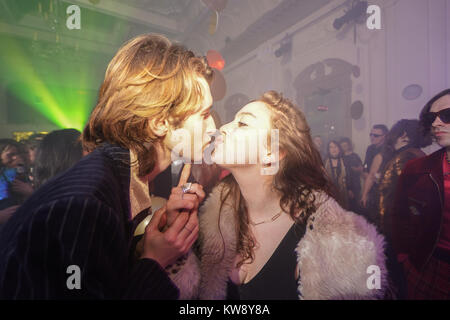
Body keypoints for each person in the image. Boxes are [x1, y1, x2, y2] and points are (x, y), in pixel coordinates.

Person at [0, 33, 215, 299]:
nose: (213, 128)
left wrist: (152, 237)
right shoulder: (86, 206)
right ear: (159, 122)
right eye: (204, 115)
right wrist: (154, 262)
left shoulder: (120, 178)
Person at [171, 91, 387, 300]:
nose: (224, 128)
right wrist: (176, 237)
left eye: (243, 123)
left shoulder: (327, 239)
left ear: (271, 153)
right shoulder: (214, 217)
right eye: (232, 120)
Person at [392, 89, 450, 299]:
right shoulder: (417, 167)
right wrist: (405, 260)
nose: (436, 123)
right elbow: (400, 217)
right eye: (430, 118)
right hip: (428, 266)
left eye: (447, 115)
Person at [377, 120, 431, 239]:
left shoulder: (405, 156)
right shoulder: (416, 153)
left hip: (397, 219)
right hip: (405, 219)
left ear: (404, 135)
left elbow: (398, 191)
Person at [339, 137, 363, 214]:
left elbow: (362, 168)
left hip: (356, 184)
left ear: (349, 145)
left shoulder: (355, 155)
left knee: (356, 205)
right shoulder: (340, 157)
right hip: (345, 185)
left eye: (345, 145)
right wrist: (348, 188)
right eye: (342, 146)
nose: (344, 148)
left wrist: (358, 169)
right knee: (347, 206)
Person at [324, 141, 349, 209]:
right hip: (329, 193)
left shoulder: (345, 160)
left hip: (343, 193)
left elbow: (350, 177)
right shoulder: (324, 161)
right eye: (331, 147)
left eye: (335, 147)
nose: (333, 149)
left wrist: (350, 190)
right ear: (328, 150)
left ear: (339, 148)